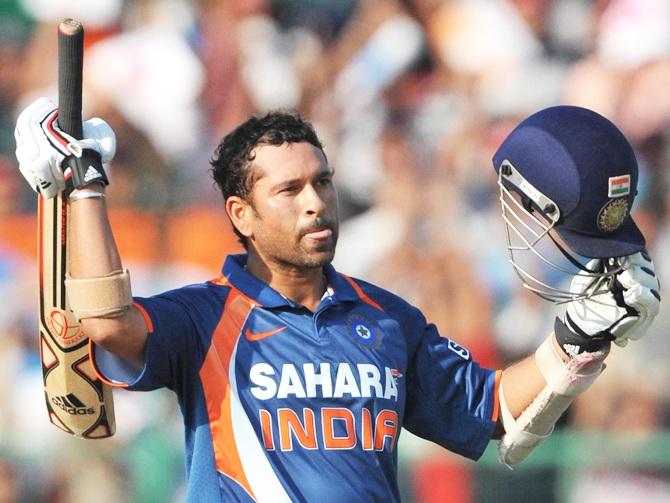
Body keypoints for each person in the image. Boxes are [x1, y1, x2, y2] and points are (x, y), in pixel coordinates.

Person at [15, 98, 660, 502]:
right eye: (289, 190)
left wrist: (577, 340)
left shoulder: (387, 319)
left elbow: (493, 414)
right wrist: (86, 187)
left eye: (321, 181)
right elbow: (104, 322)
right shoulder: (204, 317)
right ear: (240, 214)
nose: (316, 201)